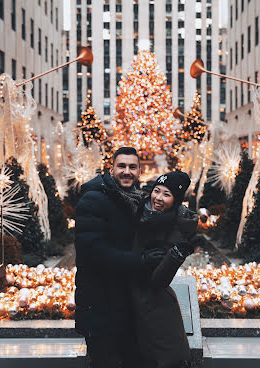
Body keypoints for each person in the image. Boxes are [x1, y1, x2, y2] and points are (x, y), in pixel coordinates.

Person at [75, 146, 165, 368]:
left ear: (139, 171)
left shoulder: (138, 200)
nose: (127, 171)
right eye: (121, 166)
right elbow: (95, 252)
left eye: (132, 167)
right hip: (99, 307)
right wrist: (141, 262)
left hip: (127, 306)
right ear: (111, 168)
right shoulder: (93, 200)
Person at [132, 170, 199, 368]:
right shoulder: (137, 210)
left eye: (166, 194)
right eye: (157, 191)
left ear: (175, 200)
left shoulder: (176, 229)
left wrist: (176, 255)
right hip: (125, 298)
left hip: (153, 307)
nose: (158, 198)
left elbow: (158, 281)